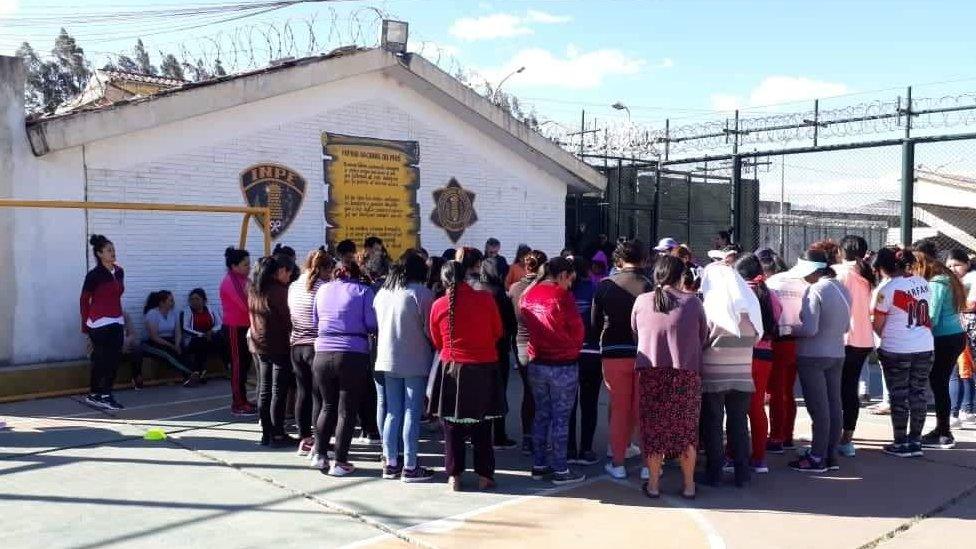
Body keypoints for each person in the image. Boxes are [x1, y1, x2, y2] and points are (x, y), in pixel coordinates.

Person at [632, 256, 707, 499]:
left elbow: (635, 332)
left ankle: (653, 485)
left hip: (651, 373)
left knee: (653, 431)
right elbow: (702, 336)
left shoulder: (642, 301)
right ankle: (689, 485)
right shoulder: (693, 303)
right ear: (680, 277)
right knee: (686, 431)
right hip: (685, 374)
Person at [429, 260, 504, 491]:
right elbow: (498, 332)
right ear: (466, 276)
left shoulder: (439, 305)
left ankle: (454, 474)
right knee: (482, 425)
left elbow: (436, 341)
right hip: (483, 367)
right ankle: (485, 475)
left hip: (453, 368)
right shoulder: (485, 299)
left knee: (452, 426)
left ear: (443, 281)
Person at [520, 257, 587, 486]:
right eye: (570, 278)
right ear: (562, 275)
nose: (570, 283)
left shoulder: (529, 294)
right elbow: (578, 330)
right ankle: (560, 468)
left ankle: (539, 464)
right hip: (563, 364)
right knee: (561, 418)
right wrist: (572, 347)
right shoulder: (562, 296)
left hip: (537, 361)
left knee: (541, 414)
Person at [785, 251, 851, 472]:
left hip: (812, 356)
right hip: (836, 353)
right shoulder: (841, 288)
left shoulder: (815, 290)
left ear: (813, 271)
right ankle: (830, 455)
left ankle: (816, 457)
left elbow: (810, 329)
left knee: (818, 409)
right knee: (834, 406)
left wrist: (788, 329)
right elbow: (845, 327)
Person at [310, 257, 377, 474]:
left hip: (321, 352)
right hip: (352, 352)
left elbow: (315, 321)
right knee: (346, 410)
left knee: (327, 406)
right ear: (357, 273)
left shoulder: (322, 290)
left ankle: (319, 454)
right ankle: (340, 461)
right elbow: (371, 324)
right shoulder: (363, 291)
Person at [374, 250, 436, 482]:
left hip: (386, 359)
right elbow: (430, 331)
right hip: (415, 360)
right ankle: (410, 465)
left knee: (392, 411)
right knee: (412, 411)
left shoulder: (382, 294)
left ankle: (390, 462)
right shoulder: (421, 293)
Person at [592, 240, 651, 479]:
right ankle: (649, 465)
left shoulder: (605, 286)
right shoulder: (649, 286)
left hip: (613, 351)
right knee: (642, 410)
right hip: (643, 352)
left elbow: (595, 324)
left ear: (618, 260)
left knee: (619, 409)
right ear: (643, 260)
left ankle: (617, 463)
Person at [700, 262, 761, 487]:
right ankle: (742, 473)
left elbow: (701, 340)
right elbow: (756, 337)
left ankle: (714, 472)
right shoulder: (750, 309)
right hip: (743, 375)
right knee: (738, 425)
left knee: (713, 424)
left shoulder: (710, 308)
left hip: (713, 376)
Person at [871, 246, 934, 458]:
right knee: (918, 393)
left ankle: (900, 441)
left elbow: (877, 324)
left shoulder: (886, 289)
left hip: (896, 348)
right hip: (924, 346)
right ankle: (915, 441)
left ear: (881, 267)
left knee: (899, 396)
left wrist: (885, 336)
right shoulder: (923, 282)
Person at [731, 253, 781, 474]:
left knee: (736, 408)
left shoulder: (740, 294)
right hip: (765, 356)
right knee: (757, 407)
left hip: (742, 354)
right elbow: (778, 318)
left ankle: (733, 455)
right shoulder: (771, 295)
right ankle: (759, 458)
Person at [914, 249, 967, 449]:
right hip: (954, 336)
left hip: (945, 338)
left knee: (939, 383)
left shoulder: (936, 283)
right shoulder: (947, 279)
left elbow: (932, 317)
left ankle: (944, 432)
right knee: (940, 382)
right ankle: (942, 429)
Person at [832, 236, 877, 457]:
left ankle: (831, 439)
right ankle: (847, 440)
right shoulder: (866, 274)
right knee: (849, 390)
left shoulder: (839, 273)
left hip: (845, 339)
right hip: (863, 340)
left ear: (841, 251)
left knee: (836, 391)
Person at [289, 248, 334, 457]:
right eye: (329, 270)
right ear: (324, 268)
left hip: (296, 345)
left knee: (303, 393)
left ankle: (304, 438)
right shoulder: (324, 287)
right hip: (316, 346)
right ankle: (319, 440)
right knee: (320, 397)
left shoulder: (294, 285)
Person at [248, 256, 297, 447]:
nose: (289, 275)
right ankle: (278, 432)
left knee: (264, 390)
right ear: (276, 272)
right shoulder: (278, 291)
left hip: (258, 344)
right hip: (277, 344)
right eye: (286, 271)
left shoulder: (254, 290)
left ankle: (266, 433)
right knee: (279, 391)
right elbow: (287, 318)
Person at [765, 254, 809, 453]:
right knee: (788, 391)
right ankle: (787, 435)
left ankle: (776, 437)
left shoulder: (771, 283)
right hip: (799, 340)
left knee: (776, 392)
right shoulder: (802, 284)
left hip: (778, 340)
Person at [79, 235, 126, 410]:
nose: (113, 253)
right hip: (98, 323)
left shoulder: (119, 271)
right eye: (108, 250)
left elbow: (117, 294)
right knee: (103, 359)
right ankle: (103, 394)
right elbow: (84, 300)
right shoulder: (94, 275)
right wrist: (85, 325)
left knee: (114, 358)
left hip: (116, 320)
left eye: (113, 249)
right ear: (99, 254)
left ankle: (98, 393)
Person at [477, 255, 519, 450]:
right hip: (499, 350)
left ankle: (477, 432)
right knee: (499, 393)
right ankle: (499, 435)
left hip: (479, 349)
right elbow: (511, 326)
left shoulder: (476, 291)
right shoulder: (501, 295)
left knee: (480, 393)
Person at [509, 250, 547, 455]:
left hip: (520, 343)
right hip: (540, 344)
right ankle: (540, 439)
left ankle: (527, 438)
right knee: (543, 395)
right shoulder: (544, 288)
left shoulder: (514, 288)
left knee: (528, 392)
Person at [568, 256, 602, 466]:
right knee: (590, 403)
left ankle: (570, 448)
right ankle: (586, 449)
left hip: (569, 354)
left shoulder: (565, 291)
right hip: (591, 352)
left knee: (569, 403)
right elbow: (599, 319)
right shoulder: (596, 289)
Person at [221, 247, 256, 416]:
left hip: (246, 326)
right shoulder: (231, 281)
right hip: (234, 328)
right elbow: (245, 304)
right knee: (237, 366)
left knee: (245, 365)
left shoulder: (244, 280)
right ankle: (237, 403)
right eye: (245, 264)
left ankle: (243, 399)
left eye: (249, 264)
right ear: (234, 266)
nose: (249, 267)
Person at [141, 290, 198, 386]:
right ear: (161, 302)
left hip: (169, 340)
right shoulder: (152, 313)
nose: (173, 303)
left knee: (182, 349)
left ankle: (194, 373)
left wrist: (177, 344)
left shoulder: (174, 313)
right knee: (168, 354)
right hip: (153, 342)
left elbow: (177, 332)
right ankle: (189, 373)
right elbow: (154, 336)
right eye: (170, 300)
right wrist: (172, 346)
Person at [946, 249, 976, 427]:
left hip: (967, 329)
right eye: (949, 265)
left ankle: (957, 413)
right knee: (961, 371)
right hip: (959, 328)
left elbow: (971, 304)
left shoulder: (971, 279)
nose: (953, 268)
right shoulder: (955, 281)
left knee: (961, 371)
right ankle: (966, 410)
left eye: (957, 264)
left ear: (967, 264)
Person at [180, 288, 227, 384]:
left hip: (210, 337)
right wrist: (202, 334)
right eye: (192, 299)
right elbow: (186, 327)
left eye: (197, 299)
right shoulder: (187, 311)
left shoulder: (211, 309)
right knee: (201, 342)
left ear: (203, 300)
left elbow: (219, 324)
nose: (194, 302)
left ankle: (227, 368)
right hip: (193, 339)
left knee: (219, 339)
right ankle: (199, 372)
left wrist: (211, 331)